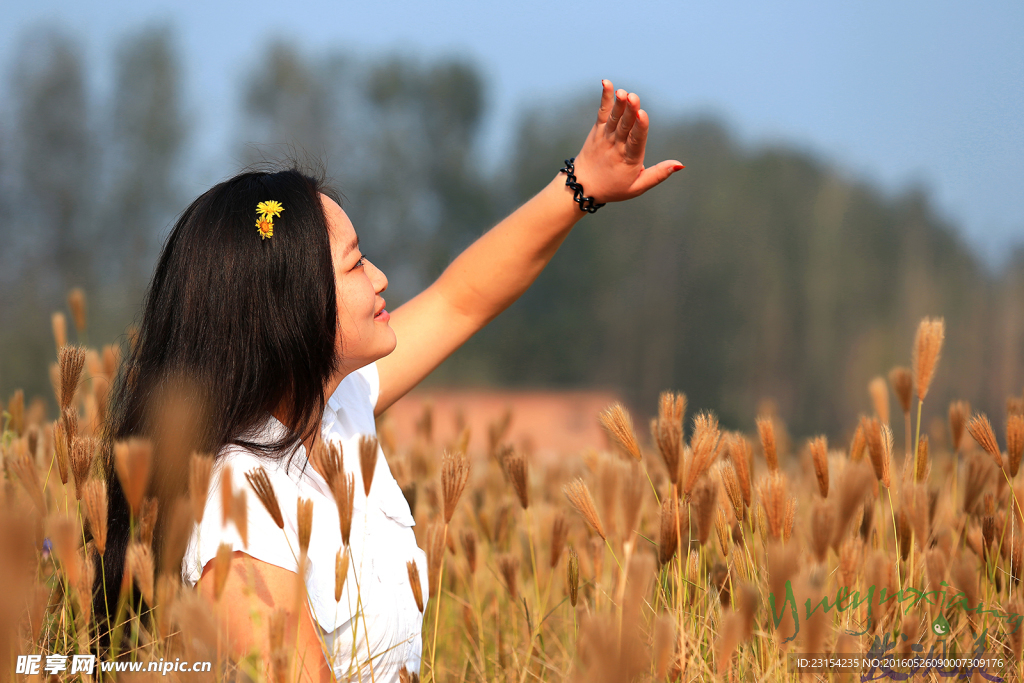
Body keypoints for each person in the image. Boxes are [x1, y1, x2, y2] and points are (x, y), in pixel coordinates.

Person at [100, 80, 683, 682]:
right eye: (354, 263)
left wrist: (582, 184)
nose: (380, 278)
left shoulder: (335, 406)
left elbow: (463, 300)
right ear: (291, 309)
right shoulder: (236, 501)